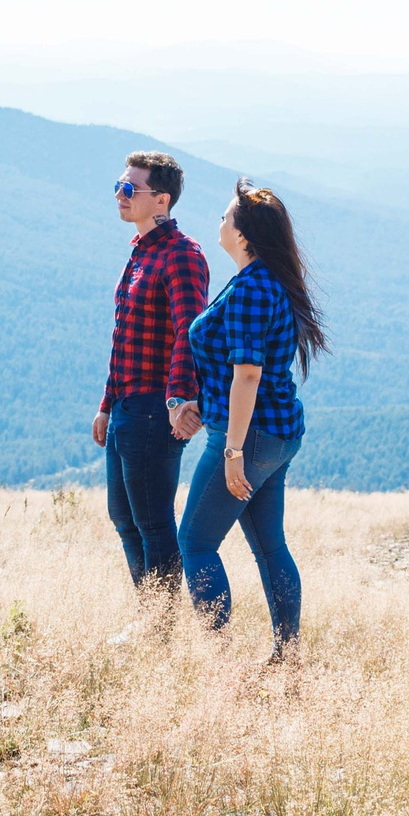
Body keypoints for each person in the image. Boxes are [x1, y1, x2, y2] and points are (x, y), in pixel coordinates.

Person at [178, 180, 327, 659]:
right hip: (277, 431)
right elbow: (235, 369)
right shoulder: (265, 281)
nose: (219, 224)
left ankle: (218, 659)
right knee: (269, 547)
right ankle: (287, 656)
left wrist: (232, 450)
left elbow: (247, 376)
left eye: (225, 217)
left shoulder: (251, 289)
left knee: (195, 542)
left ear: (243, 234)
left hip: (250, 436)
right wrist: (206, 402)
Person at [93, 151, 209, 595]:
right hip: (126, 406)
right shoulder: (140, 254)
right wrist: (107, 404)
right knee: (124, 518)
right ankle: (152, 616)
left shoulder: (182, 256)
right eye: (118, 187)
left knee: (153, 521)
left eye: (129, 189)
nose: (120, 196)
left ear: (161, 200)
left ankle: (162, 626)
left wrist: (178, 399)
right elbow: (124, 339)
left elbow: (189, 332)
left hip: (154, 410)